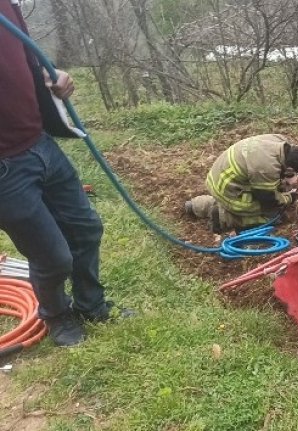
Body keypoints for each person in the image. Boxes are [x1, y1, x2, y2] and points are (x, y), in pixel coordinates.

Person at [0, 0, 130, 347]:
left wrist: (51, 76)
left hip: (39, 143)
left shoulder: (7, 8)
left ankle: (92, 305)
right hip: (4, 170)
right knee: (52, 257)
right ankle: (57, 316)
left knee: (86, 229)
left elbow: (27, 62)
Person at [186, 135, 298, 233]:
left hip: (219, 174)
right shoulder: (266, 166)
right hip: (227, 188)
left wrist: (286, 178)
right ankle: (222, 218)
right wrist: (288, 198)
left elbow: (277, 172)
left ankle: (196, 205)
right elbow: (267, 200)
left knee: (272, 192)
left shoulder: (279, 140)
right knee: (273, 215)